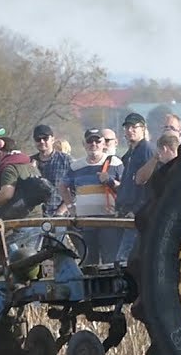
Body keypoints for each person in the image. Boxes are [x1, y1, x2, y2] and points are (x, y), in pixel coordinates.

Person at [62, 128, 124, 265]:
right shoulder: (75, 166)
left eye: (97, 141)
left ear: (104, 144)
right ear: (84, 144)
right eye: (90, 141)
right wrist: (71, 207)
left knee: (110, 262)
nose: (93, 144)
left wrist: (110, 181)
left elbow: (125, 189)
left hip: (109, 221)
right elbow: (62, 186)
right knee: (88, 263)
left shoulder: (115, 163)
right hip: (85, 222)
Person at [114, 113, 156, 262]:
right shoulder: (130, 153)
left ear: (143, 129)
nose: (130, 130)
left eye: (134, 126)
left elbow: (150, 185)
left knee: (124, 260)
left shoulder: (147, 150)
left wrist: (137, 210)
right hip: (124, 212)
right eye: (127, 127)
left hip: (136, 214)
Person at [0, 134, 41, 220]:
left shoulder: (10, 168)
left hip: (18, 220)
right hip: (36, 217)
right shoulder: (30, 164)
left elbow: (6, 194)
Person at [32, 123, 73, 216]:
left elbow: (74, 190)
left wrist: (60, 212)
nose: (42, 141)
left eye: (45, 138)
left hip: (59, 216)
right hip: (35, 217)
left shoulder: (66, 160)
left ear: (52, 139)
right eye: (38, 139)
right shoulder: (29, 162)